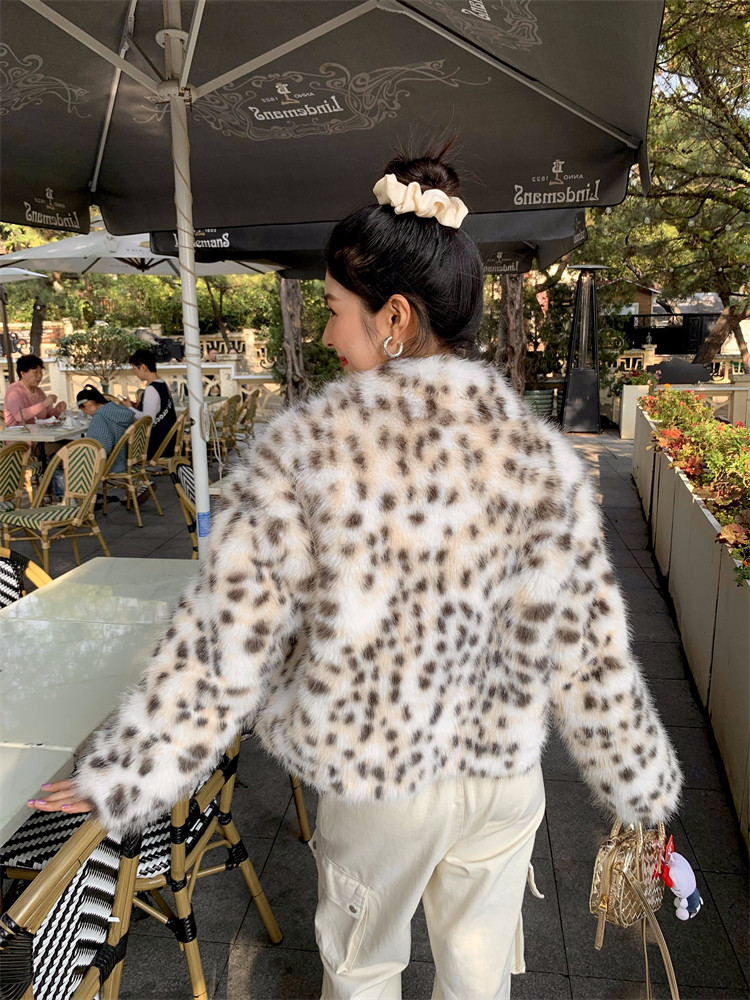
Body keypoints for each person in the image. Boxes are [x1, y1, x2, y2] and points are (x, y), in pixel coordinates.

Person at [32, 147, 682, 1000]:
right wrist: (640, 788)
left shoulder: (310, 453)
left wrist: (129, 771)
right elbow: (590, 647)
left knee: (363, 970)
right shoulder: (538, 457)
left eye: (337, 310)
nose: (329, 333)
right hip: (501, 775)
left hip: (382, 777)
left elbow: (229, 639)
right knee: (480, 977)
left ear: (395, 318)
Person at [123, 348, 176, 459]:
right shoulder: (162, 384)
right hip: (168, 440)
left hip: (158, 445)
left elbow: (147, 419)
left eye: (134, 369)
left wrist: (129, 408)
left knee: (120, 443)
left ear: (143, 367)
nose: (134, 373)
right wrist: (136, 407)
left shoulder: (152, 389)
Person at [76, 385, 136, 473]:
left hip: (112, 465)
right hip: (130, 461)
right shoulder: (121, 410)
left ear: (88, 404)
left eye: (82, 409)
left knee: (63, 462)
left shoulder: (100, 417)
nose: (85, 413)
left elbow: (100, 448)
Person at [4, 354, 66, 426]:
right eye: (35, 372)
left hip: (37, 431)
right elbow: (19, 416)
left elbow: (47, 414)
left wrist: (57, 411)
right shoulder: (14, 391)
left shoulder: (38, 391)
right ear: (23, 373)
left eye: (41, 372)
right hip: (17, 432)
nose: (39, 376)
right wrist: (44, 404)